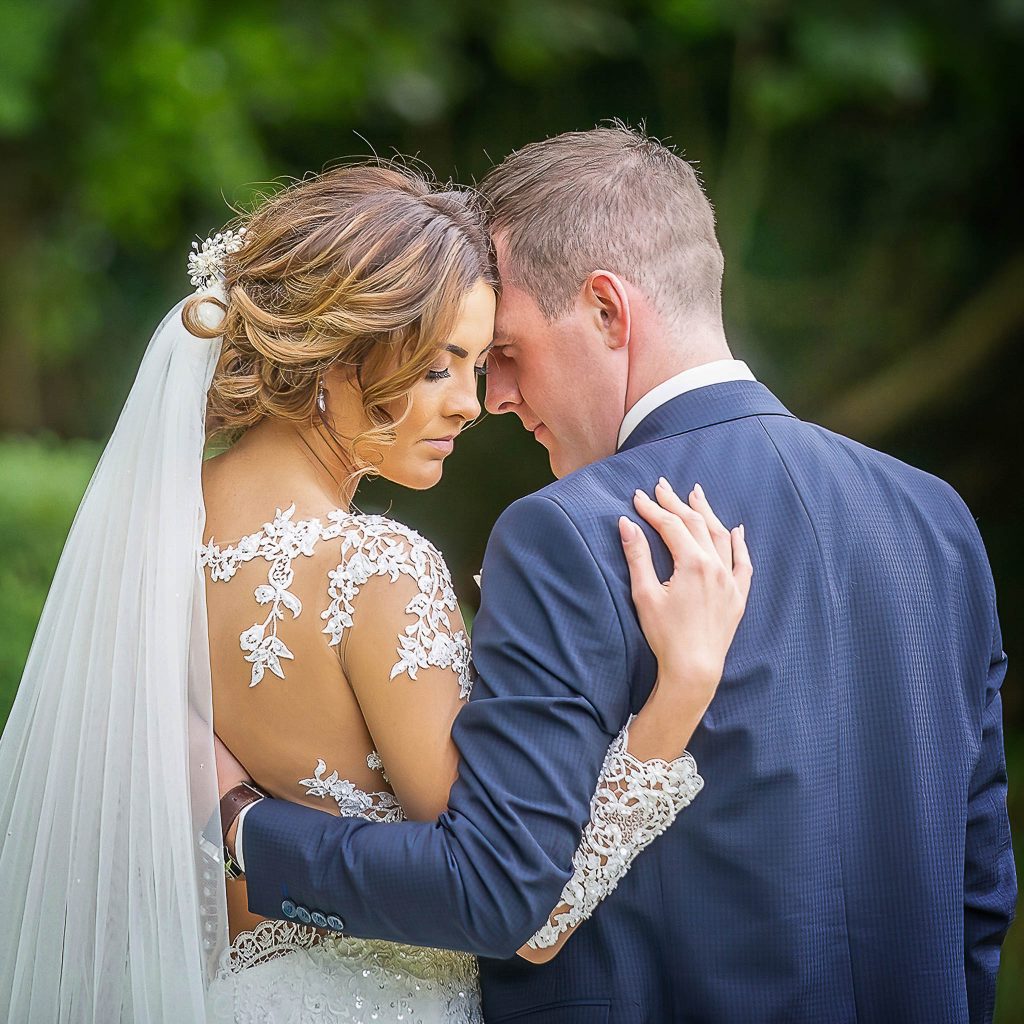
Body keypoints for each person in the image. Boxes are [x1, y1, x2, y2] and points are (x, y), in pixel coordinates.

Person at [228, 125, 1016, 1023]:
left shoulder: (572, 533)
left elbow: (497, 883)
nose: (496, 399)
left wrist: (241, 828)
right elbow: (979, 880)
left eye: (509, 352)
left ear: (608, 310)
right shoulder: (935, 519)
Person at [0, 161, 750, 1023]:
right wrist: (676, 698)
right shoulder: (377, 569)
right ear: (337, 356)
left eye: (478, 367)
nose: (471, 405)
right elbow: (522, 910)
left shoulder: (144, 540)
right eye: (441, 368)